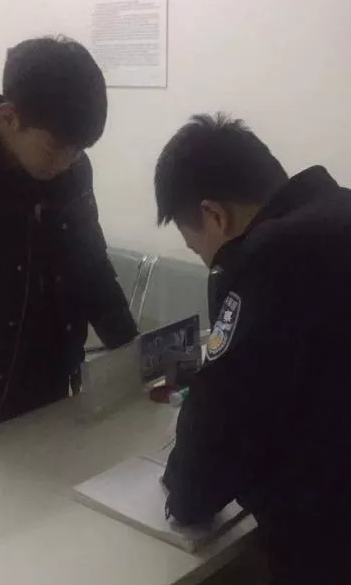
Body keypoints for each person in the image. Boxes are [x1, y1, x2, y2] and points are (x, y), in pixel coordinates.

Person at [0, 36, 137, 457]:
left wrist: (133, 354)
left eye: (79, 150)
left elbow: (90, 264)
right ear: (9, 117)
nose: (67, 162)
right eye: (55, 148)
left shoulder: (72, 168)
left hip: (55, 378)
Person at [155, 114, 351, 585]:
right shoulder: (339, 212)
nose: (210, 264)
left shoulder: (275, 255)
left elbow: (225, 419)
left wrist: (183, 489)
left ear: (214, 216)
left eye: (199, 250)